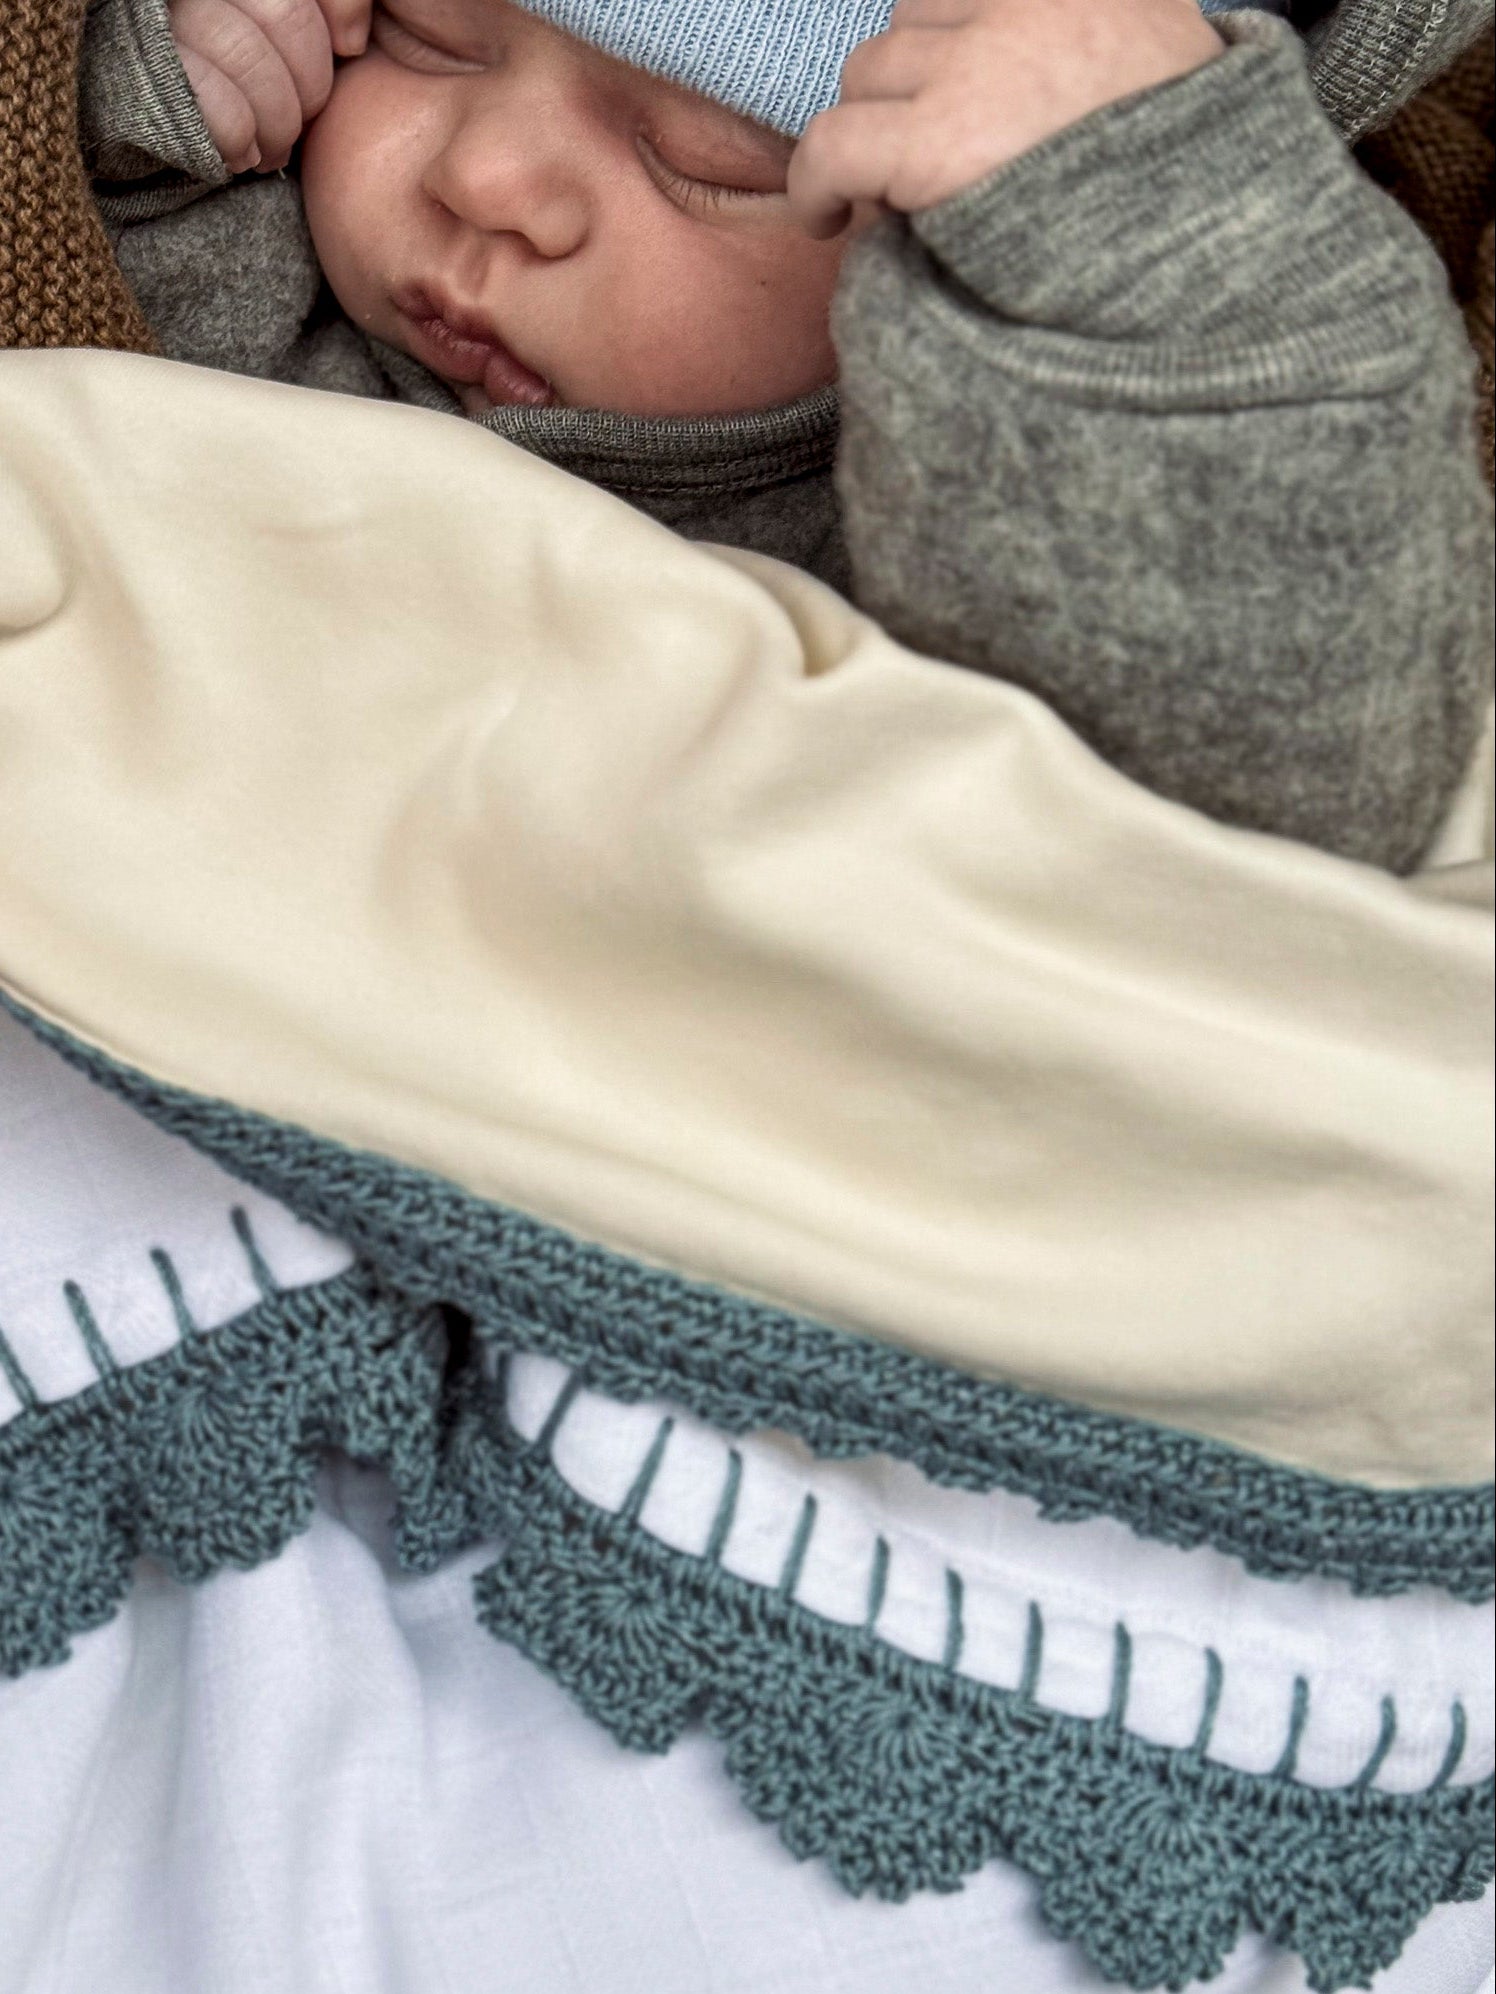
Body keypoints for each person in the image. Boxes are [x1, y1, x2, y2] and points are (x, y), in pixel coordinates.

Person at [80, 0, 1494, 869]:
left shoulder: (934, 537)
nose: (489, 178)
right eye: (428, 36)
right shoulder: (319, 335)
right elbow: (114, 396)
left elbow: (1265, 791)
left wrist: (1147, 247)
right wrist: (163, 114)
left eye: (707, 162)